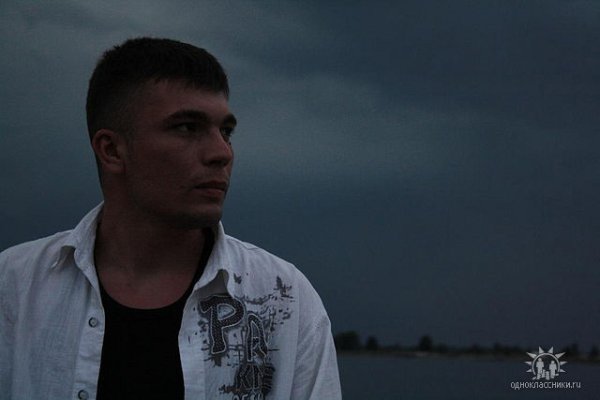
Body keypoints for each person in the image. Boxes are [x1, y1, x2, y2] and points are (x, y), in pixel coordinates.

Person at [0, 37, 341, 400]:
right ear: (111, 150)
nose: (222, 152)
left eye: (226, 131)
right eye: (187, 127)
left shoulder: (283, 299)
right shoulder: (14, 288)